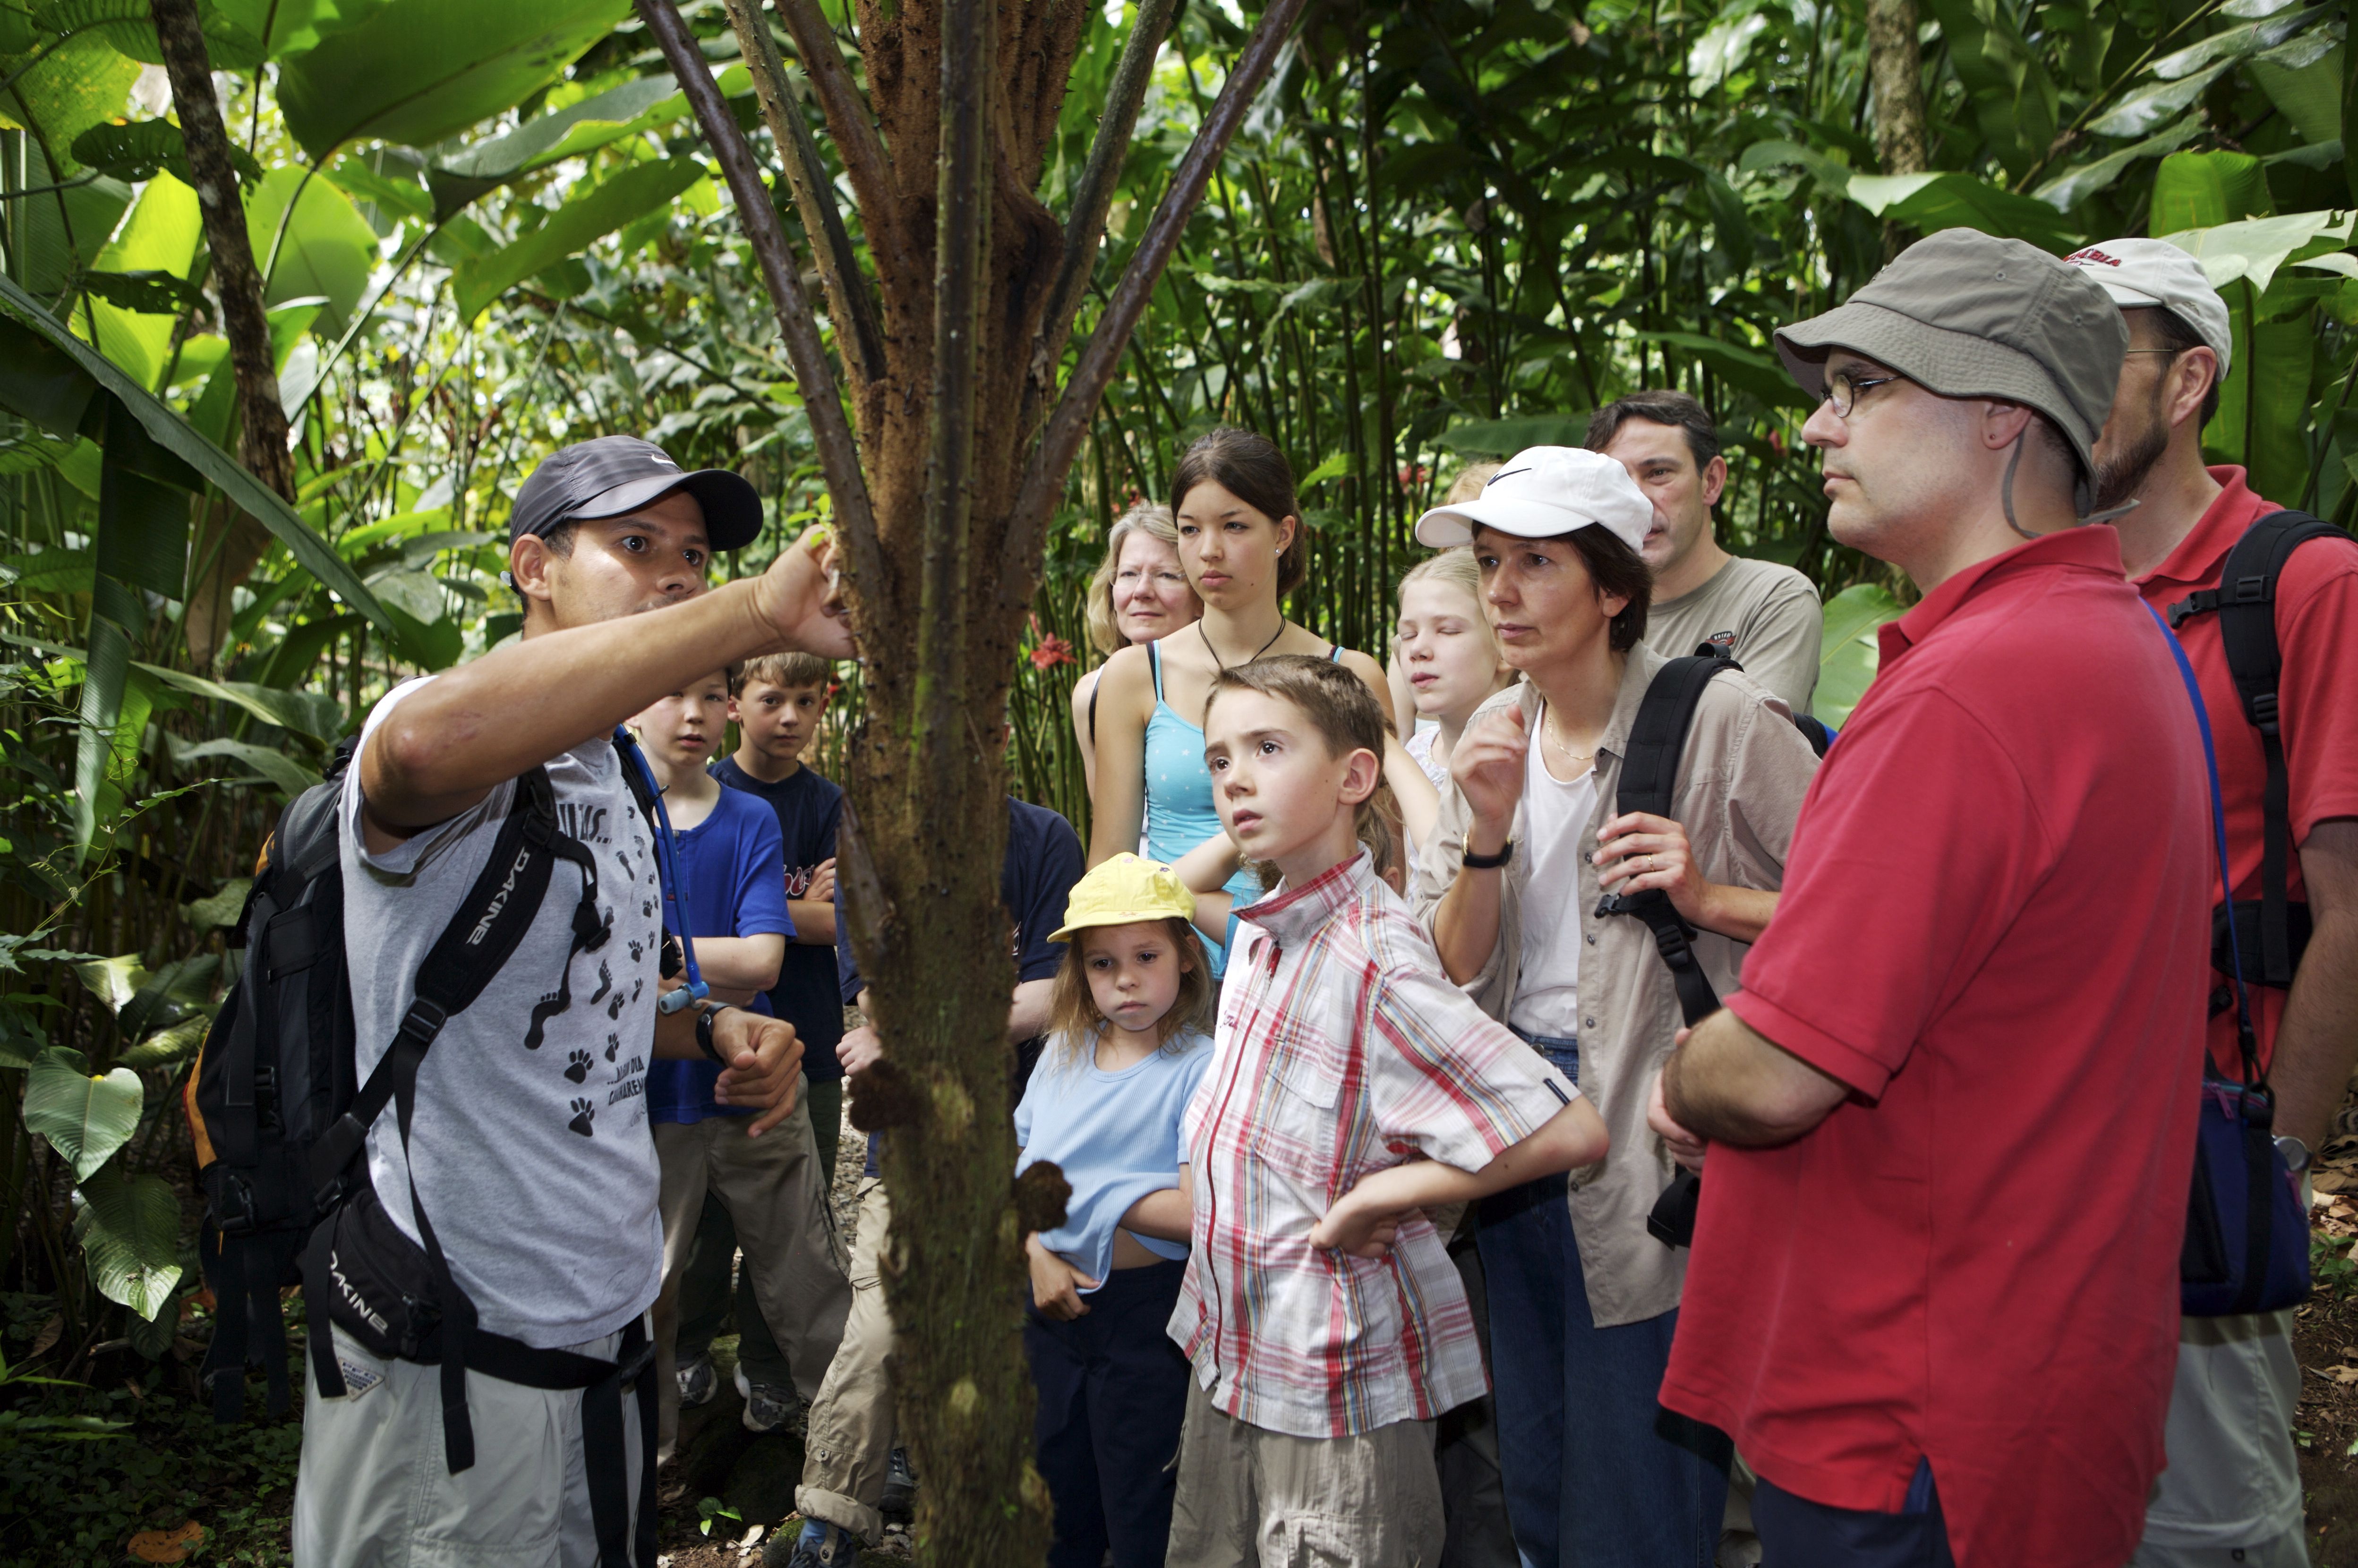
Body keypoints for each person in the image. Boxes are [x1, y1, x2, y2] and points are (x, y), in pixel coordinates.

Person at [1649, 230, 2213, 1568]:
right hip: (2024, 1383)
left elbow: (1783, 1071)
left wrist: (1687, 1071)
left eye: (1861, 384)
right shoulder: (2099, 641)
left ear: (2001, 418)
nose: (1820, 424)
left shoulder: (1978, 687)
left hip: (1916, 1410)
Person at [294, 434, 845, 1565]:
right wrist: (752, 609)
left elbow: (596, 994)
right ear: (533, 566)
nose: (677, 575)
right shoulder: (456, 736)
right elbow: (417, 746)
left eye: (694, 556)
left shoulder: (623, 770)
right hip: (451, 1354)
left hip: (603, 1342)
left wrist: (709, 1025)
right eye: (636, 545)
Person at [1411, 447, 1820, 1568]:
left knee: (1637, 1495)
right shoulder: (1495, 728)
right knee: (1534, 1479)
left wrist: (1706, 894)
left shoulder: (1717, 715)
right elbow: (1447, 969)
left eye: (1534, 563)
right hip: (1514, 1140)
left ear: (1613, 588)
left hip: (1651, 1136)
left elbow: (1861, 923)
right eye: (1491, 563)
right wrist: (1487, 831)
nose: (1499, 592)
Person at [1165, 655, 1608, 1568]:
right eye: (1217, 759)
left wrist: (1389, 1192)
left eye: (1268, 747)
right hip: (1236, 1356)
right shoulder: (1259, 937)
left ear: (1354, 777)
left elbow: (1569, 1128)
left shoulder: (1379, 958)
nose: (1234, 777)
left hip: (1334, 1394)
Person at [2071, 235, 2358, 1568]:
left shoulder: (2301, 583)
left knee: (2204, 1533)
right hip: (2036, 1153)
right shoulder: (2034, 586)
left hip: (2202, 1148)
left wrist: (2274, 1170)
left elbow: (2351, 904)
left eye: (2097, 353)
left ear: (2189, 380)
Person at [785, 796, 1087, 1568]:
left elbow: (1059, 994)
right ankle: (827, 1520)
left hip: (1042, 1145)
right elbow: (881, 1002)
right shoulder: (871, 856)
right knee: (883, 1325)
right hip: (916, 1152)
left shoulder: (1043, 839)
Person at [1086, 427, 1433, 974]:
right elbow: (1110, 863)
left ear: (1283, 532)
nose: (1209, 550)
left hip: (1314, 967)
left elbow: (1387, 858)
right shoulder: (1134, 674)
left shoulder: (1348, 673)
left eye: (1234, 525)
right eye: (1189, 529)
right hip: (1170, 981)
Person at [632, 669, 850, 1461]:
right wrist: (645, 966)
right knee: (648, 1280)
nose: (692, 714)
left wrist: (645, 959)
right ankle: (647, 1461)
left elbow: (761, 961)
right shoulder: (612, 818)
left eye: (710, 696)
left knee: (808, 1271)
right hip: (649, 1094)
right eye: (670, 693)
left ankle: (849, 1448)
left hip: (757, 1076)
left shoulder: (752, 818)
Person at [1018, 854, 1216, 1568]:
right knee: (1055, 1494)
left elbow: (1201, 1213)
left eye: (1146, 956)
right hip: (1045, 1306)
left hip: (1145, 1318)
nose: (1125, 979)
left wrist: (1091, 1191)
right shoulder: (1064, 1050)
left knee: (1142, 1499)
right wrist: (1037, 1253)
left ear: (1187, 958)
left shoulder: (1203, 1066)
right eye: (1102, 964)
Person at [1588, 390, 1823, 712]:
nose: (1636, 500)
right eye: (1616, 480)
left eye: (1658, 473)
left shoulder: (1773, 598)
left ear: (1711, 481)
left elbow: (1745, 744)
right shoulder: (1580, 605)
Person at [1072, 502, 1203, 798]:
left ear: (1202, 598)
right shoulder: (1091, 695)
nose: (1141, 591)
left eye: (1167, 575)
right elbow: (1110, 827)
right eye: (1129, 574)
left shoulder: (1234, 684)